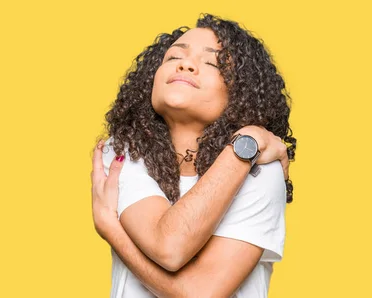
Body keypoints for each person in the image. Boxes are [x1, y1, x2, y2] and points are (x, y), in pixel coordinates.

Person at [90, 14, 297, 298]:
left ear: (239, 93)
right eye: (174, 56)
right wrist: (247, 145)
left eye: (212, 63)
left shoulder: (262, 171)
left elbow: (201, 292)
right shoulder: (124, 151)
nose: (185, 64)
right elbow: (169, 247)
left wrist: (111, 229)